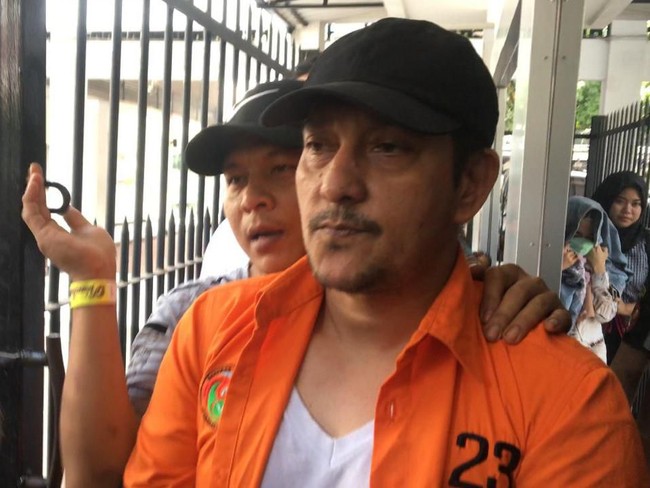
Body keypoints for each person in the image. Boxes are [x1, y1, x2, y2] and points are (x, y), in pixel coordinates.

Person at [121, 18, 647, 485]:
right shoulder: (213, 332)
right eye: (317, 145)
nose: (335, 184)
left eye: (387, 147)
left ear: (470, 183)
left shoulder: (567, 402)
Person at [22, 78, 569, 487]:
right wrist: (92, 282)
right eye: (235, 179)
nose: (252, 199)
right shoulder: (192, 313)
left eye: (281, 168)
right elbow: (101, 474)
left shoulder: (490, 324)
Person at [592, 171, 650, 363]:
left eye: (636, 204)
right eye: (619, 201)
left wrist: (626, 308)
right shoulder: (589, 235)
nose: (627, 210)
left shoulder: (646, 243)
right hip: (588, 329)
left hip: (629, 337)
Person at [560, 197, 622, 361]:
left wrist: (599, 269)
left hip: (594, 348)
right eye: (577, 235)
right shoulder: (553, 260)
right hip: (563, 347)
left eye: (590, 237)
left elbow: (605, 315)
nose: (583, 242)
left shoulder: (604, 265)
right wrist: (560, 268)